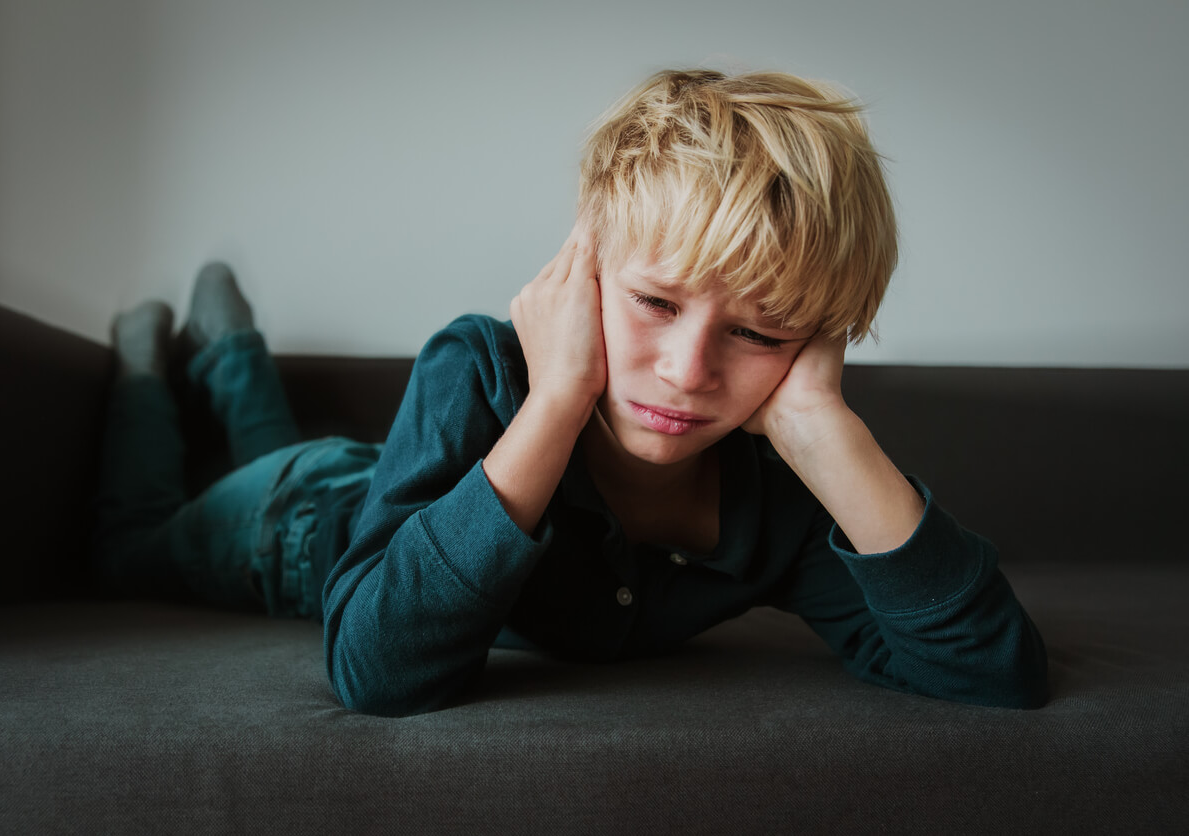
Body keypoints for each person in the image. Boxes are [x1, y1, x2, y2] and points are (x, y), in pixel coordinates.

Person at [97, 68, 1049, 717]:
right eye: (652, 302)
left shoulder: (783, 499)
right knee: (133, 541)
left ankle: (231, 355)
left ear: (815, 344)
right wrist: (557, 398)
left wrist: (821, 427)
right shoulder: (478, 367)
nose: (686, 372)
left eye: (758, 334)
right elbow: (376, 669)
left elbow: (993, 672)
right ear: (583, 269)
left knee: (263, 446)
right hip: (298, 521)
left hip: (351, 480)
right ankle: (168, 361)